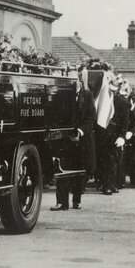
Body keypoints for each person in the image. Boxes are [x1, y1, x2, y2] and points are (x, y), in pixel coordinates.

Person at [52, 72, 96, 211]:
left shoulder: (88, 95)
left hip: (82, 140)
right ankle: (61, 203)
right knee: (62, 169)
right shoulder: (62, 95)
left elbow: (91, 117)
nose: (73, 83)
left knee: (79, 171)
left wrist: (80, 132)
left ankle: (77, 200)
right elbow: (57, 116)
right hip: (65, 139)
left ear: (80, 81)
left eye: (75, 80)